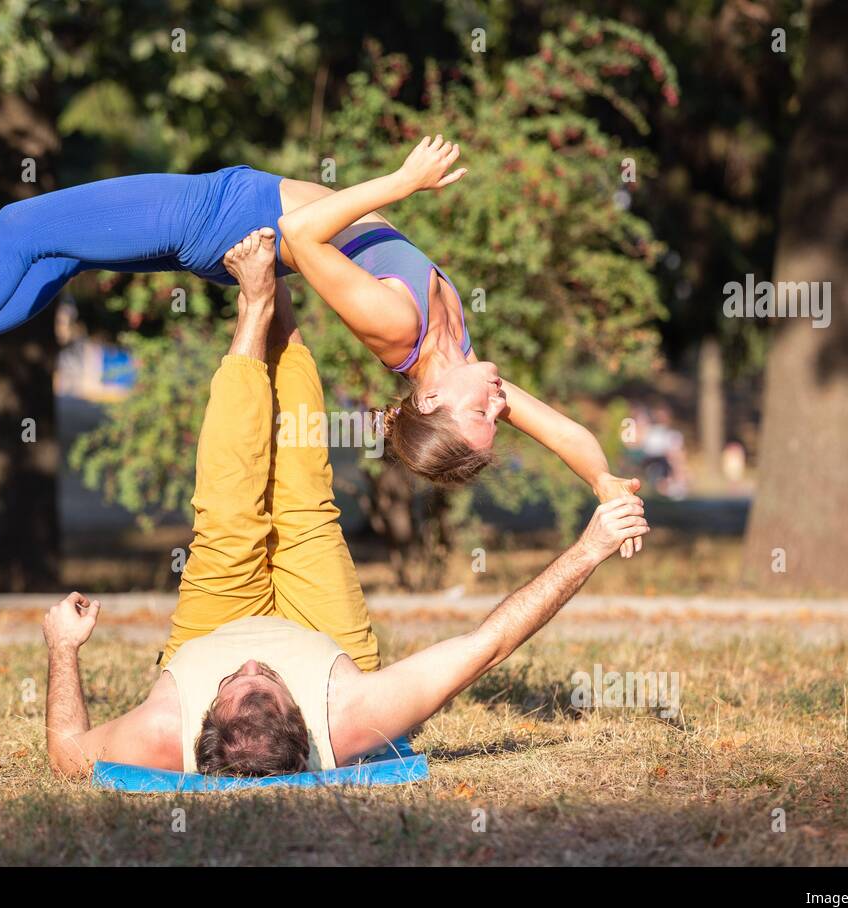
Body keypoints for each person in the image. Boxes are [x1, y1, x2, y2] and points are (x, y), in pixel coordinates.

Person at [0, 137, 643, 553]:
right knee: (46, 260)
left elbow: (302, 239)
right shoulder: (462, 358)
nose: (502, 402)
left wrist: (399, 184)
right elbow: (565, 431)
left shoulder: (399, 326)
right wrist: (607, 485)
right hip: (225, 212)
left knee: (22, 223)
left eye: (489, 416)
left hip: (218, 215)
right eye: (500, 412)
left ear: (434, 403)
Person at [43, 229, 649, 778]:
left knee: (229, 512)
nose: (254, 664)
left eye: (236, 685)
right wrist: (589, 548)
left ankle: (257, 298)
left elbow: (67, 753)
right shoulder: (351, 717)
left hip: (208, 628)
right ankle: (271, 289)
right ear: (304, 728)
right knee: (304, 495)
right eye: (270, 685)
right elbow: (487, 644)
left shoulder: (160, 732)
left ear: (205, 723)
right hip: (327, 640)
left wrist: (63, 650)